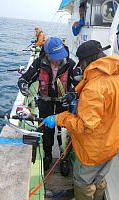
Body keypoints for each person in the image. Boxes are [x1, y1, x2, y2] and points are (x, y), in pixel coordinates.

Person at [43, 40, 119, 200]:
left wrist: (58, 118)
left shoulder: (94, 87)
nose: (80, 67)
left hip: (92, 150)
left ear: (86, 61)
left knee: (83, 182)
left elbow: (84, 126)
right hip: (111, 146)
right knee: (99, 179)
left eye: (81, 63)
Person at [18, 37, 76, 171]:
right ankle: (47, 156)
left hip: (64, 105)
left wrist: (72, 94)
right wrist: (23, 85)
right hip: (45, 103)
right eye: (55, 57)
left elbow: (81, 85)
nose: (58, 60)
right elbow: (24, 78)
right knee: (46, 132)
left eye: (60, 56)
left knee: (64, 133)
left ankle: (64, 158)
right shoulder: (39, 63)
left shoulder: (70, 64)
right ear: (48, 55)